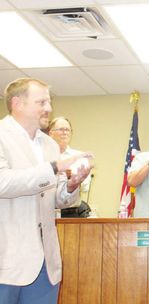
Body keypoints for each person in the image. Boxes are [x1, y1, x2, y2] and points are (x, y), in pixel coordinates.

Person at [0, 78, 92, 304]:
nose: (49, 109)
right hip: (7, 259)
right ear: (17, 103)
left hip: (46, 262)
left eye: (48, 102)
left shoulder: (50, 145)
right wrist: (53, 168)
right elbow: (3, 183)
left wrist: (71, 185)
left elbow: (55, 199)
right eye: (41, 102)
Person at [48, 117, 92, 207]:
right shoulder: (42, 157)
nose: (65, 132)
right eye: (61, 129)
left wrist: (75, 180)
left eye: (67, 130)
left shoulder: (80, 157)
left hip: (71, 214)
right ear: (51, 133)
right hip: (46, 213)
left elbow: (85, 188)